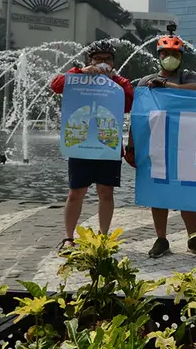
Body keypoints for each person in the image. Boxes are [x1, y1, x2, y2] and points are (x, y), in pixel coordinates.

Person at [49, 40, 134, 250]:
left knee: (106, 192)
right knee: (76, 192)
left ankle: (103, 238)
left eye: (108, 59)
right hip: (81, 144)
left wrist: (114, 81)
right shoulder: (79, 76)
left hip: (108, 144)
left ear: (113, 62)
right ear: (90, 60)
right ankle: (69, 238)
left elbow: (130, 103)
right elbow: (56, 85)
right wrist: (81, 71)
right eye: (98, 59)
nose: (103, 63)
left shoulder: (120, 82)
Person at [133, 29, 196, 258]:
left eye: (174, 53)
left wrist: (168, 87)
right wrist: (130, 146)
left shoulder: (188, 77)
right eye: (166, 53)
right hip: (156, 144)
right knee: (158, 193)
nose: (170, 57)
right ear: (159, 55)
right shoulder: (146, 82)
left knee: (187, 192)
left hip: (185, 143)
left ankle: (192, 237)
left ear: (181, 56)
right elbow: (136, 117)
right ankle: (161, 238)